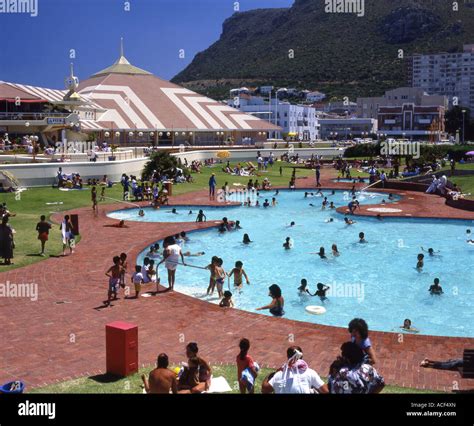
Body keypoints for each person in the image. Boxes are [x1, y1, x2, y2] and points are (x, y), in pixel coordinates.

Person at [262, 346, 328, 394]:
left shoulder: (279, 374)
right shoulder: (310, 373)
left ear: (288, 357)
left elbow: (265, 389)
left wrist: (271, 374)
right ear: (302, 356)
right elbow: (326, 391)